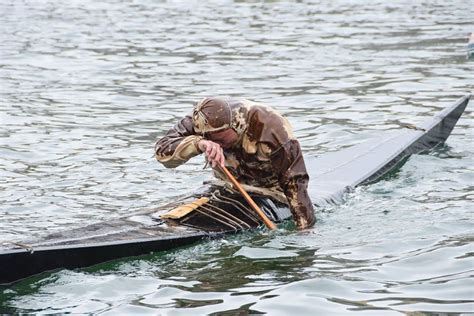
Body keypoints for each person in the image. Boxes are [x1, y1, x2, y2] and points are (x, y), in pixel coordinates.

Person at [155, 97, 316, 230]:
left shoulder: (271, 127)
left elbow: (295, 183)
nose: (216, 143)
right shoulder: (201, 119)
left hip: (270, 192)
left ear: (235, 127)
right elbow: (162, 150)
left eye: (219, 139)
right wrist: (199, 144)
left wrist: (304, 231)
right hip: (223, 185)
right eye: (208, 138)